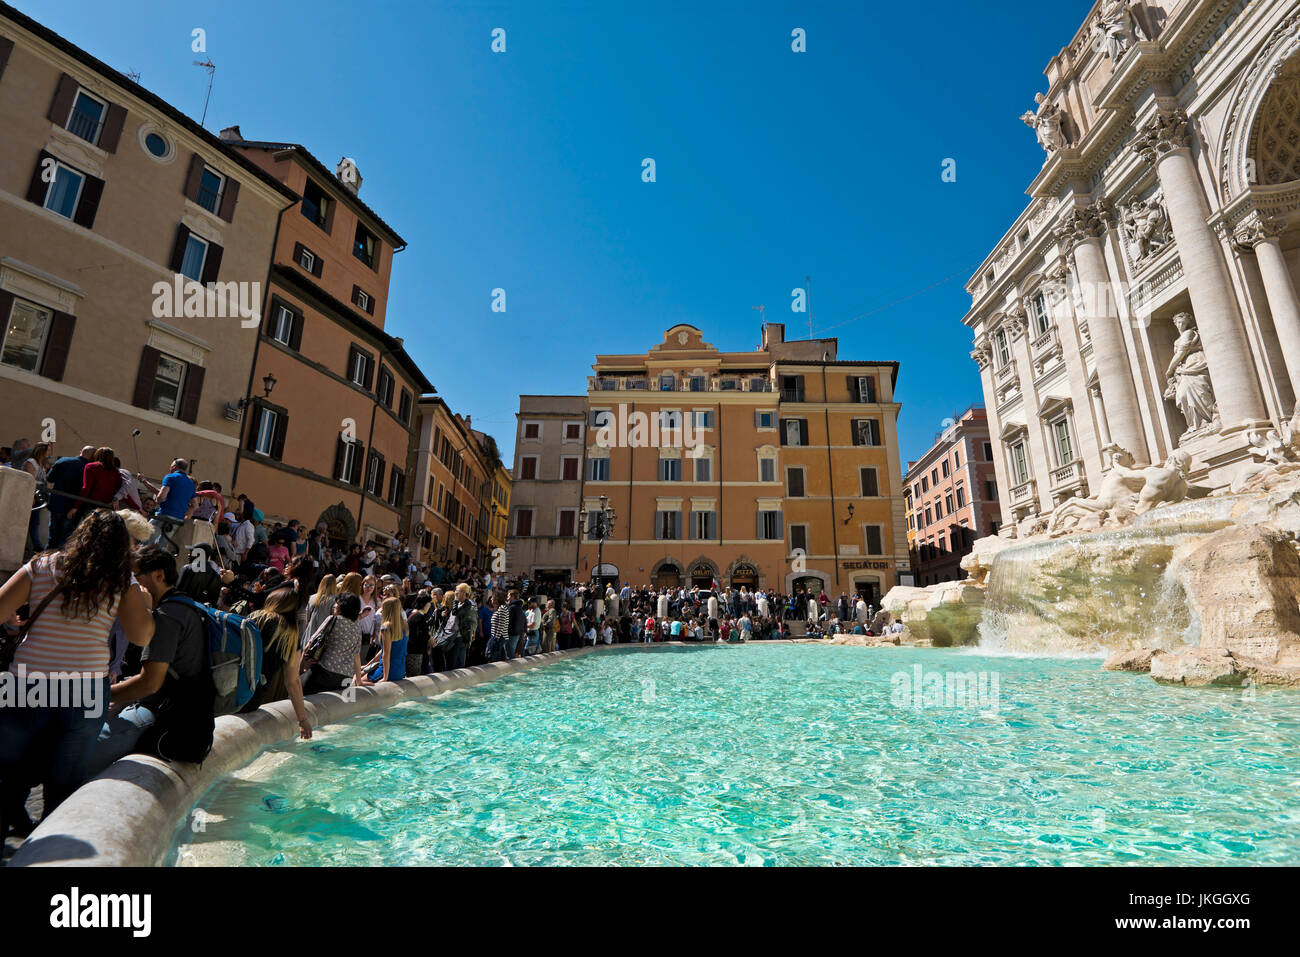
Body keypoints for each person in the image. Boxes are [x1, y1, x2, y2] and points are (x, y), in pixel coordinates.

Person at [0, 510, 154, 835]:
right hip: (84, 689)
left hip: (26, 681)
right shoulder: (122, 582)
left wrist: (15, 621)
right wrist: (147, 607)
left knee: (7, 771)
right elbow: (141, 637)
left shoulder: (41, 566)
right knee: (65, 781)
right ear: (122, 546)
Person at [91, 546, 215, 771]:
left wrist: (101, 693)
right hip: (189, 720)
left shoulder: (168, 616)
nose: (130, 584)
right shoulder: (186, 605)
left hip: (168, 720)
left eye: (135, 576)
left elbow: (150, 684)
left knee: (85, 750)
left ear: (158, 575)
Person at [242, 585, 311, 739]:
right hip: (251, 696)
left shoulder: (251, 618)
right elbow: (292, 682)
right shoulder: (290, 636)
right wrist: (303, 720)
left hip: (227, 687)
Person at [302, 592, 368, 694]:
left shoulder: (333, 619)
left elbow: (310, 642)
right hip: (345, 678)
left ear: (343, 606)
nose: (334, 605)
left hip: (324, 672)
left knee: (299, 695)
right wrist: (358, 680)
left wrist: (301, 667)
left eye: (337, 603)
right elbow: (356, 655)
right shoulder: (357, 626)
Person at [364, 596, 408, 682]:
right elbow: (385, 650)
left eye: (383, 608)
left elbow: (386, 654)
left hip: (386, 670)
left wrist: (385, 677)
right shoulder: (405, 626)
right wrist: (368, 665)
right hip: (400, 669)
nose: (381, 610)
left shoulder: (386, 627)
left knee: (356, 681)